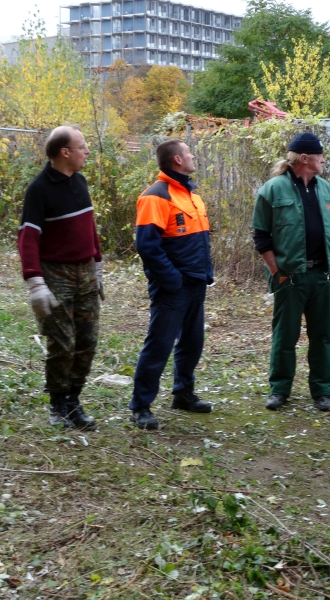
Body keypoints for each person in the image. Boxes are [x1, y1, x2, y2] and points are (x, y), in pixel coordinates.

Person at [18, 125, 103, 430]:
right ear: (65, 152)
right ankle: (57, 404)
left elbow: (89, 226)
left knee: (87, 341)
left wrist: (98, 264)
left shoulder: (79, 182)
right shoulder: (39, 189)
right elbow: (28, 238)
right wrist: (35, 282)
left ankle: (73, 401)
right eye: (82, 146)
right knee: (61, 343)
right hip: (55, 274)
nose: (87, 151)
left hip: (86, 272)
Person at [251, 132, 330, 412]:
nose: (324, 159)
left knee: (324, 337)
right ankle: (279, 389)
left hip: (324, 278)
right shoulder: (273, 189)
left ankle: (323, 391)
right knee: (285, 336)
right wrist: (276, 270)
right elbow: (261, 235)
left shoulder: (324, 188)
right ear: (305, 159)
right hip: (289, 278)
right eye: (320, 155)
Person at [129, 139, 214, 430]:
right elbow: (147, 246)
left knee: (192, 343)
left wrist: (204, 274)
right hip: (172, 287)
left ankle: (183, 393)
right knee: (160, 345)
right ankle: (141, 405)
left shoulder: (191, 195)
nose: (193, 156)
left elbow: (200, 240)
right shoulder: (156, 196)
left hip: (196, 283)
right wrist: (172, 279)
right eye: (189, 152)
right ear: (177, 159)